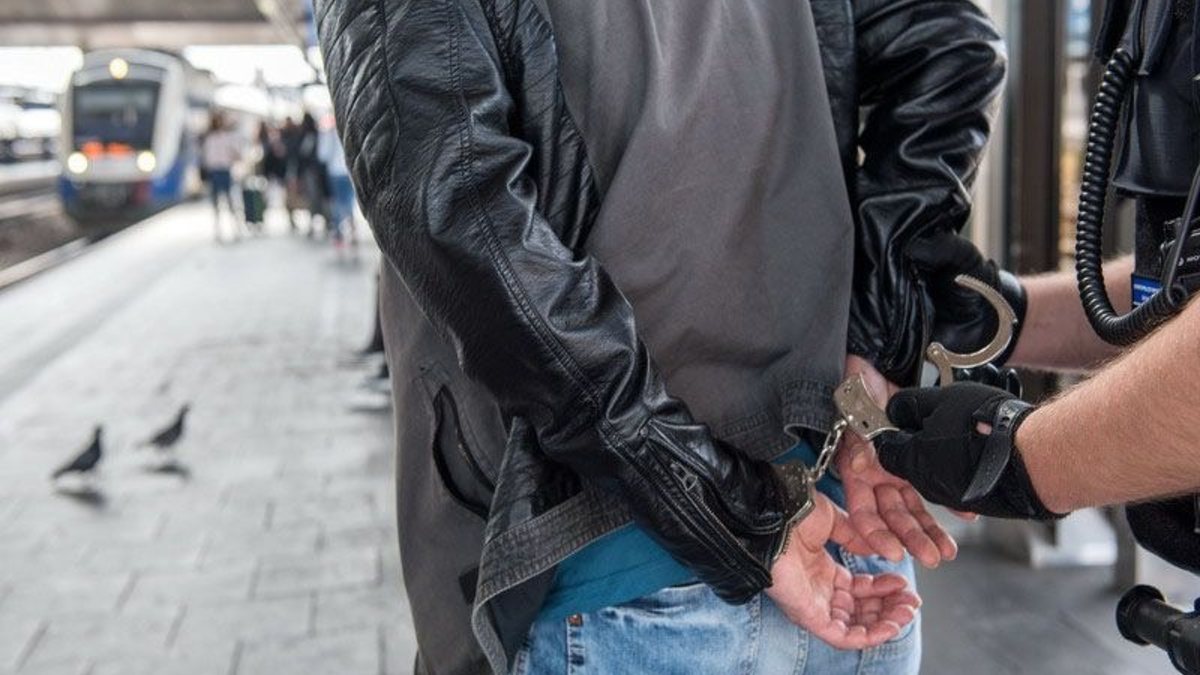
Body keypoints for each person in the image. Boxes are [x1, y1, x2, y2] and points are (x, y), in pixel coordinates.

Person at [316, 0, 1005, 673]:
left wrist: (733, 518)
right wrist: (872, 357)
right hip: (849, 540)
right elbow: (955, 49)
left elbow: (457, 215)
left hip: (612, 567)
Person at [200, 113, 243, 242]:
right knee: (216, 203)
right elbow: (205, 158)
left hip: (225, 171)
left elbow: (237, 154)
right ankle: (218, 231)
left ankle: (235, 230)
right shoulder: (209, 138)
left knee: (230, 202)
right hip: (214, 172)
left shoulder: (227, 137)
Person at [316, 116, 356, 246]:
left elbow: (322, 155)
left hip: (334, 172)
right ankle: (352, 227)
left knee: (337, 201)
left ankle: (339, 233)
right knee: (349, 199)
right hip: (348, 171)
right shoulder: (349, 132)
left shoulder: (328, 134)